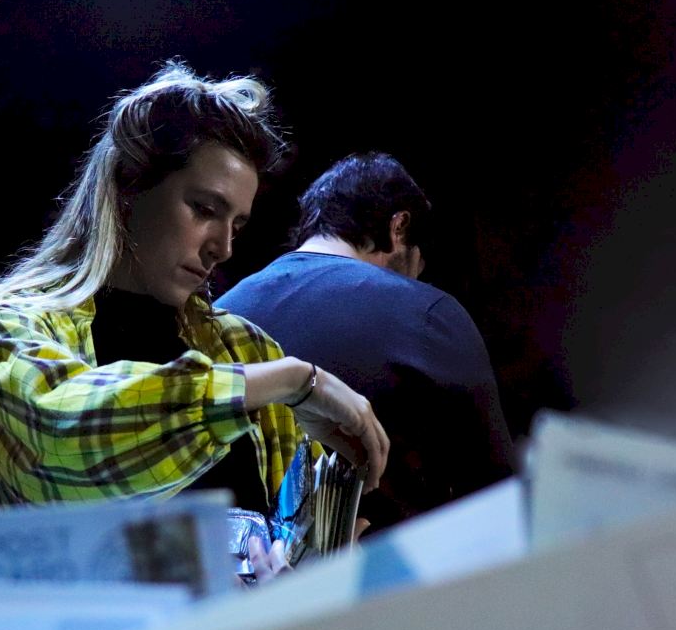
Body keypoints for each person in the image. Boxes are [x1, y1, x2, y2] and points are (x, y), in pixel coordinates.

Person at [0, 62, 389, 533]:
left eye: (238, 224)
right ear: (128, 186)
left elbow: (291, 533)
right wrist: (295, 380)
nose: (224, 247)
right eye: (205, 209)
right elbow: (64, 438)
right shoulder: (6, 327)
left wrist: (318, 546)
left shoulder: (247, 349)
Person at [218, 152, 514, 531]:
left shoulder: (216, 315)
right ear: (399, 228)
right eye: (415, 267)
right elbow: (497, 494)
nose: (412, 282)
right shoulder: (426, 312)